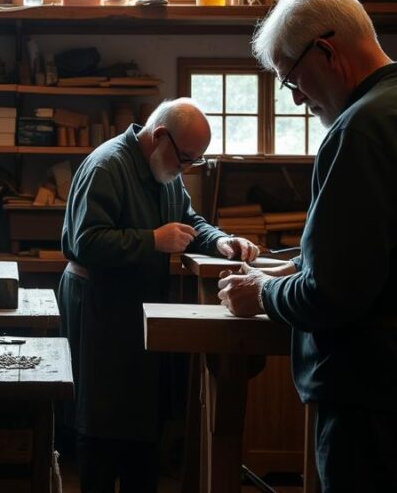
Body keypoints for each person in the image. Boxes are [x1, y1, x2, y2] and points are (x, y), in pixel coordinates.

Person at [218, 0, 397, 491]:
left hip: (380, 392)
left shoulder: (362, 126)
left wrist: (262, 291)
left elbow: (333, 294)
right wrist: (299, 265)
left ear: (325, 51)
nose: (297, 99)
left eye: (291, 80)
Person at [59, 98, 259, 492]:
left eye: (193, 161)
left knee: (140, 418)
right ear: (160, 136)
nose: (186, 167)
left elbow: (188, 220)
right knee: (99, 420)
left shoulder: (164, 167)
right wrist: (151, 240)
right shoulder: (107, 165)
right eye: (185, 158)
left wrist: (220, 241)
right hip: (99, 305)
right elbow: (83, 243)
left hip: (137, 304)